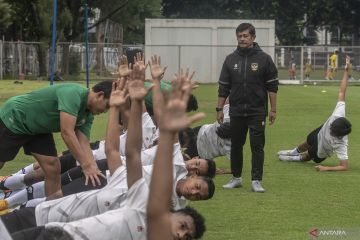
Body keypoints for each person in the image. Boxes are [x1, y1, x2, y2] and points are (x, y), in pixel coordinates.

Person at [7, 57, 206, 240]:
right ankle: (7, 193)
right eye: (199, 184)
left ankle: (8, 199)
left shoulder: (152, 209)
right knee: (51, 176)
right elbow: (126, 151)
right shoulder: (144, 195)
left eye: (199, 195)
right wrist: (127, 103)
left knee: (53, 175)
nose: (181, 234)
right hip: (97, 172)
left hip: (70, 213)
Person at [0, 81, 111, 200]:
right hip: (16, 117)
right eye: (107, 105)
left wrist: (93, 167)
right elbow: (67, 132)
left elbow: (83, 143)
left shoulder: (87, 115)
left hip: (38, 129)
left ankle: (50, 207)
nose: (106, 111)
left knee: (53, 167)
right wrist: (86, 165)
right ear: (100, 95)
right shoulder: (73, 94)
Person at [217, 23, 278, 192]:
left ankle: (256, 181)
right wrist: (219, 109)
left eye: (245, 36)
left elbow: (272, 86)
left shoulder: (264, 59)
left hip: (257, 111)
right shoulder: (230, 59)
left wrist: (273, 109)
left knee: (257, 146)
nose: (242, 39)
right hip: (236, 111)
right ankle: (236, 178)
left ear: (253, 37)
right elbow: (224, 87)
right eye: (240, 36)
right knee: (236, 145)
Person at [147, 66, 206, 239]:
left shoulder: (175, 207)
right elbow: (159, 115)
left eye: (199, 196)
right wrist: (159, 83)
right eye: (197, 187)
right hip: (108, 171)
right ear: (193, 176)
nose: (194, 193)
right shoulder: (176, 162)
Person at [278, 56, 352, 171]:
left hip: (323, 149)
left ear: (339, 135)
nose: (331, 129)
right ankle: (293, 152)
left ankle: (294, 158)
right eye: (332, 126)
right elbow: (342, 91)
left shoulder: (342, 143)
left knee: (308, 156)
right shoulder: (338, 114)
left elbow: (344, 166)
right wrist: (347, 72)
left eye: (332, 131)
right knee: (307, 141)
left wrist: (325, 168)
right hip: (321, 131)